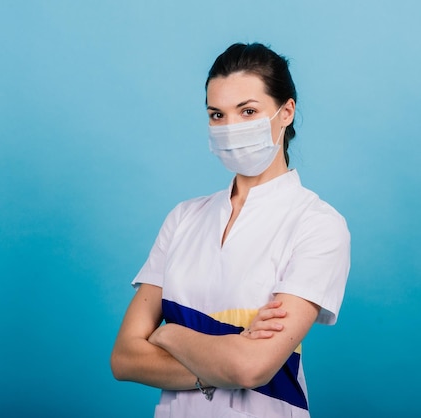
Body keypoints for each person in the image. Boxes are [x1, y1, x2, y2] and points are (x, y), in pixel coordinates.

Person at [111, 42, 351, 418]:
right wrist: (224, 361)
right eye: (216, 115)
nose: (230, 128)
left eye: (248, 111)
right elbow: (125, 357)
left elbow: (252, 368)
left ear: (286, 112)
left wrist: (167, 334)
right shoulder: (183, 218)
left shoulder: (317, 225)